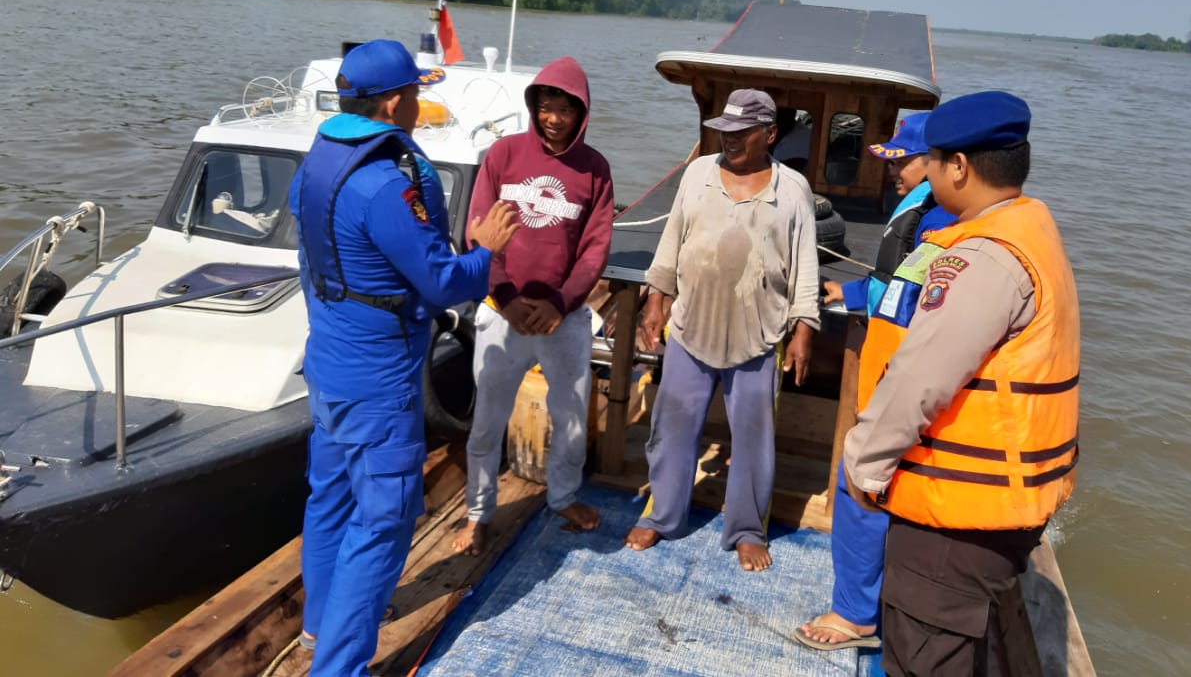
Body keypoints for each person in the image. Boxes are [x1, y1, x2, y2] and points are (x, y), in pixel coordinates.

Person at [289, 39, 518, 677]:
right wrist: (487, 248)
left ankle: (315, 630)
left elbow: (319, 255)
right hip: (378, 383)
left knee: (329, 498)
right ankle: (337, 668)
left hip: (329, 369)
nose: (420, 104)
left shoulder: (316, 164)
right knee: (383, 523)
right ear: (393, 103)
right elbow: (444, 283)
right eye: (417, 94)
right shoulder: (385, 186)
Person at [841, 90, 1080, 676]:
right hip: (1005, 510)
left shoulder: (983, 258)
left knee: (922, 655)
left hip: (956, 517)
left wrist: (862, 467)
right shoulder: (1034, 232)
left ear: (958, 167)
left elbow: (920, 378)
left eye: (933, 158)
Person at [623, 89, 820, 571]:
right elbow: (672, 239)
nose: (728, 139)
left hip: (758, 336)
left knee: (754, 439)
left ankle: (748, 528)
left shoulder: (792, 189)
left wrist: (804, 327)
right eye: (724, 131)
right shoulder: (698, 173)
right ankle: (663, 515)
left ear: (769, 134)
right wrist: (656, 295)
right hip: (691, 329)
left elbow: (806, 267)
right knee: (672, 428)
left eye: (741, 132)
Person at [795, 111, 956, 651]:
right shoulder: (915, 212)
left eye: (904, 162)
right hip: (886, 369)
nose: (893, 172)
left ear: (940, 164)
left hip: (904, 377)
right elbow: (896, 281)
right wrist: (853, 294)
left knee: (860, 483)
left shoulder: (942, 222)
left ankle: (858, 613)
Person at [451, 57, 614, 556]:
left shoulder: (595, 169)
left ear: (581, 113)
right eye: (546, 107)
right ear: (534, 107)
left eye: (566, 110)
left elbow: (595, 246)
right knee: (487, 420)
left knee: (571, 418)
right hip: (503, 313)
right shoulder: (502, 155)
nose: (555, 119)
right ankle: (478, 512)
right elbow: (477, 230)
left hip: (562, 317)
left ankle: (562, 496)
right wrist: (504, 297)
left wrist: (562, 304)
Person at [821, 112, 956, 317]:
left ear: (935, 162)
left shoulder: (939, 217)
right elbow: (892, 275)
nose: (892, 171)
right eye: (892, 163)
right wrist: (849, 292)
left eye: (902, 163)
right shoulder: (920, 207)